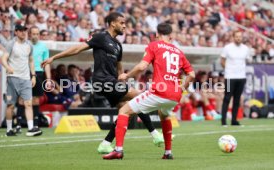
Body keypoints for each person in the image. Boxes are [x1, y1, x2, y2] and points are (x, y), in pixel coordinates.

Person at [41, 12, 164, 153]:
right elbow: (77, 48)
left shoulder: (118, 45)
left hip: (112, 81)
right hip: (102, 81)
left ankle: (106, 143)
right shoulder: (100, 37)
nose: (125, 26)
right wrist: (55, 57)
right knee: (138, 96)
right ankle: (154, 134)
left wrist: (123, 78)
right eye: (122, 23)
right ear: (113, 23)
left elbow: (119, 66)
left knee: (127, 112)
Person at [102, 23, 195, 160]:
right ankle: (168, 152)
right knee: (164, 116)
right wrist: (182, 88)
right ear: (171, 36)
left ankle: (118, 150)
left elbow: (142, 66)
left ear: (157, 34)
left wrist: (127, 75)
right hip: (175, 95)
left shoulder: (154, 45)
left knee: (124, 111)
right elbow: (191, 74)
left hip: (159, 91)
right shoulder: (178, 52)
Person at [1, 24, 42, 137]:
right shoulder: (11, 44)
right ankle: (9, 129)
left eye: (25, 31)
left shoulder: (29, 45)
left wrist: (33, 76)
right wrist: (8, 67)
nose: (24, 33)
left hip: (25, 78)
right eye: (21, 31)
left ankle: (31, 128)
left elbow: (31, 61)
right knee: (11, 105)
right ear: (16, 32)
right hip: (12, 78)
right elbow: (3, 58)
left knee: (28, 103)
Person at [220, 30, 251, 126]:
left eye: (240, 36)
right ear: (233, 37)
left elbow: (247, 60)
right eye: (236, 36)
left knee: (237, 99)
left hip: (241, 77)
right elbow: (222, 60)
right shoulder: (227, 48)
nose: (238, 38)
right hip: (230, 77)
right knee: (227, 98)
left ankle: (234, 120)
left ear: (242, 38)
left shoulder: (245, 48)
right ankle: (224, 121)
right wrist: (229, 69)